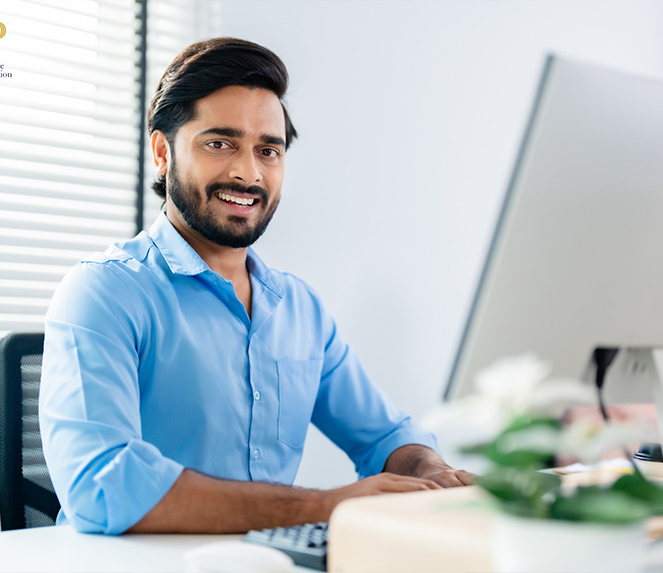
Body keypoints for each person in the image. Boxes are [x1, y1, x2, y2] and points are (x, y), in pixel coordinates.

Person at [40, 37, 474, 536]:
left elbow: (386, 436)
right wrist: (325, 505)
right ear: (163, 152)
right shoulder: (103, 292)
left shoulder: (299, 309)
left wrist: (431, 472)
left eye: (268, 151)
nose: (248, 173)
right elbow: (102, 486)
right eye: (220, 143)